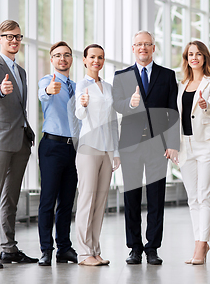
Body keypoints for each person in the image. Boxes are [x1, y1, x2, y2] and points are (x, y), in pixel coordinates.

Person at [112, 31, 179, 265]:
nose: (143, 48)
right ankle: (134, 247)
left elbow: (173, 112)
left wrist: (173, 144)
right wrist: (129, 105)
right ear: (133, 48)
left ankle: (152, 247)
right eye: (138, 44)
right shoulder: (121, 76)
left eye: (147, 44)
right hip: (130, 146)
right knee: (131, 198)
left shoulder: (168, 76)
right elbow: (117, 105)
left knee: (156, 198)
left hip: (157, 147)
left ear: (153, 47)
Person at [0, 20, 37, 268]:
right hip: (0, 141)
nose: (14, 41)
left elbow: (19, 108)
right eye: (9, 36)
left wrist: (28, 130)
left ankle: (9, 249)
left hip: (20, 141)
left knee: (10, 199)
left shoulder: (21, 71)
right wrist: (0, 90)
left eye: (18, 37)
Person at [74, 44, 121, 266]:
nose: (96, 61)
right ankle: (83, 253)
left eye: (100, 57)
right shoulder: (81, 85)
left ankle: (95, 249)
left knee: (100, 201)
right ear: (84, 60)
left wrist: (116, 152)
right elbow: (78, 114)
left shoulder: (109, 88)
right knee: (86, 200)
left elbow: (113, 123)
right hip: (88, 148)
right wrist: (82, 105)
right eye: (92, 57)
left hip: (106, 149)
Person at [177, 41, 210, 265]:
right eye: (190, 54)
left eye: (198, 54)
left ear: (205, 57)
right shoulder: (181, 84)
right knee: (192, 198)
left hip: (205, 144)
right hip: (185, 145)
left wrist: (204, 104)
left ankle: (201, 246)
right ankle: (199, 240)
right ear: (187, 58)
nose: (194, 57)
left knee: (205, 196)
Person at [37, 41, 79, 266]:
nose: (62, 59)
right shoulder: (48, 81)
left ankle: (64, 248)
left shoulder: (76, 86)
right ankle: (46, 249)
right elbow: (43, 94)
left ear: (71, 59)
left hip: (73, 149)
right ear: (52, 60)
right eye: (58, 55)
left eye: (67, 55)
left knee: (67, 201)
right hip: (52, 148)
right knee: (48, 200)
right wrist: (48, 90)